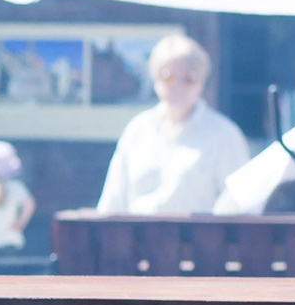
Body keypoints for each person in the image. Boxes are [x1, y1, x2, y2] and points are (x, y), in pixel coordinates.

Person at [96, 33, 247, 213]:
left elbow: (238, 208)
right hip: (137, 238)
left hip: (197, 239)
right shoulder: (138, 130)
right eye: (168, 77)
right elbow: (113, 202)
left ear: (202, 82)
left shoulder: (225, 135)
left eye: (189, 78)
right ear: (155, 78)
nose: (177, 86)